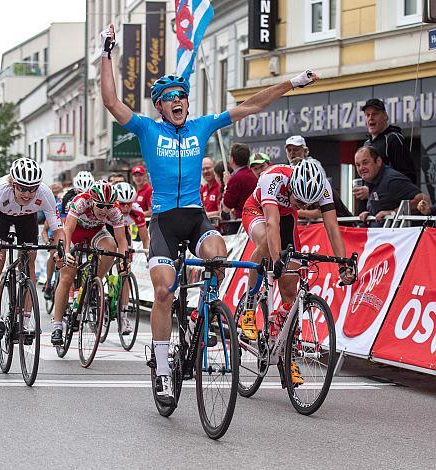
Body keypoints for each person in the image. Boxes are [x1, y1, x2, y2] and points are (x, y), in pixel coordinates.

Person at [100, 21, 321, 404]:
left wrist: (291, 83)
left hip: (197, 218)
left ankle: (207, 316)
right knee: (164, 292)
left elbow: (251, 106)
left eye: (181, 94)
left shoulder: (201, 126)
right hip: (165, 222)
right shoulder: (148, 130)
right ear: (161, 105)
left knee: (218, 257)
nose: (177, 100)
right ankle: (163, 369)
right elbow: (111, 102)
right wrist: (107, 54)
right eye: (170, 97)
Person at [241, 159, 356, 384]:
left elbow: (332, 227)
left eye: (307, 202)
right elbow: (272, 223)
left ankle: (287, 356)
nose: (301, 204)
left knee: (291, 292)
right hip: (257, 209)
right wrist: (277, 260)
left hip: (287, 217)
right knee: (266, 243)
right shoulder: (273, 177)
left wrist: (343, 264)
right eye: (298, 198)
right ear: (292, 184)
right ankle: (249, 306)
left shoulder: (322, 188)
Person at [0, 158, 64, 339]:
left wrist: (60, 251)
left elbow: (59, 231)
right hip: (2, 217)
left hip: (27, 217)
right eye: (23, 188)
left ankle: (25, 322)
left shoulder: (45, 193)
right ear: (13, 184)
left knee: (30, 258)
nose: (28, 194)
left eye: (32, 189)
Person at [51, 180, 128, 346]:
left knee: (111, 246)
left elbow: (122, 240)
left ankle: (92, 282)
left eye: (108, 206)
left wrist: (124, 260)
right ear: (92, 200)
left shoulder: (115, 210)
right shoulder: (80, 201)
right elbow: (68, 230)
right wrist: (65, 252)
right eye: (100, 205)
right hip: (75, 233)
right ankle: (57, 325)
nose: (104, 210)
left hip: (96, 232)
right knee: (66, 277)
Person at [284, 135, 352, 219]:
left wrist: (298, 212)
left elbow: (319, 212)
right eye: (289, 150)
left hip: (338, 220)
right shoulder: (285, 169)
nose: (292, 153)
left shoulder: (313, 165)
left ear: (306, 151)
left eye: (296, 149)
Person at [355, 146, 424, 227]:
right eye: (358, 165)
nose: (361, 168)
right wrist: (370, 215)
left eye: (365, 163)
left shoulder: (391, 180)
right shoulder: (372, 180)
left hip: (402, 237)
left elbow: (423, 200)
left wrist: (393, 213)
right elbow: (384, 207)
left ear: (378, 161)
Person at [114, 181, 150, 334]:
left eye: (129, 204)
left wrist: (148, 253)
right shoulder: (110, 209)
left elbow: (145, 238)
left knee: (125, 273)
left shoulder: (137, 211)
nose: (125, 208)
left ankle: (123, 317)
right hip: (108, 231)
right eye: (122, 204)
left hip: (124, 234)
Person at [222, 143, 258, 220]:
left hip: (243, 221)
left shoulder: (236, 178)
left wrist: (226, 185)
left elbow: (226, 206)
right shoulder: (253, 173)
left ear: (232, 159)